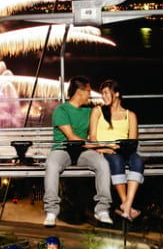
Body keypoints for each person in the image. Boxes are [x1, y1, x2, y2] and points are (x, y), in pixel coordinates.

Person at [44, 75, 113, 227]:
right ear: (79, 92)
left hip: (83, 151)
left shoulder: (89, 111)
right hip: (63, 149)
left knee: (102, 164)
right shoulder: (61, 110)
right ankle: (51, 210)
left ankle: (102, 209)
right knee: (52, 165)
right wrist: (95, 146)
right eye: (88, 91)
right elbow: (71, 137)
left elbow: (104, 124)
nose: (90, 94)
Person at [89, 79, 144, 221]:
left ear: (117, 94)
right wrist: (103, 148)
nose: (103, 96)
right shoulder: (98, 111)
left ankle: (126, 206)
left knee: (137, 161)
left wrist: (123, 147)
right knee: (116, 160)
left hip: (123, 149)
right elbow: (93, 136)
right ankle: (127, 207)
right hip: (106, 150)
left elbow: (133, 140)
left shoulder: (130, 115)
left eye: (107, 93)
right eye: (102, 94)